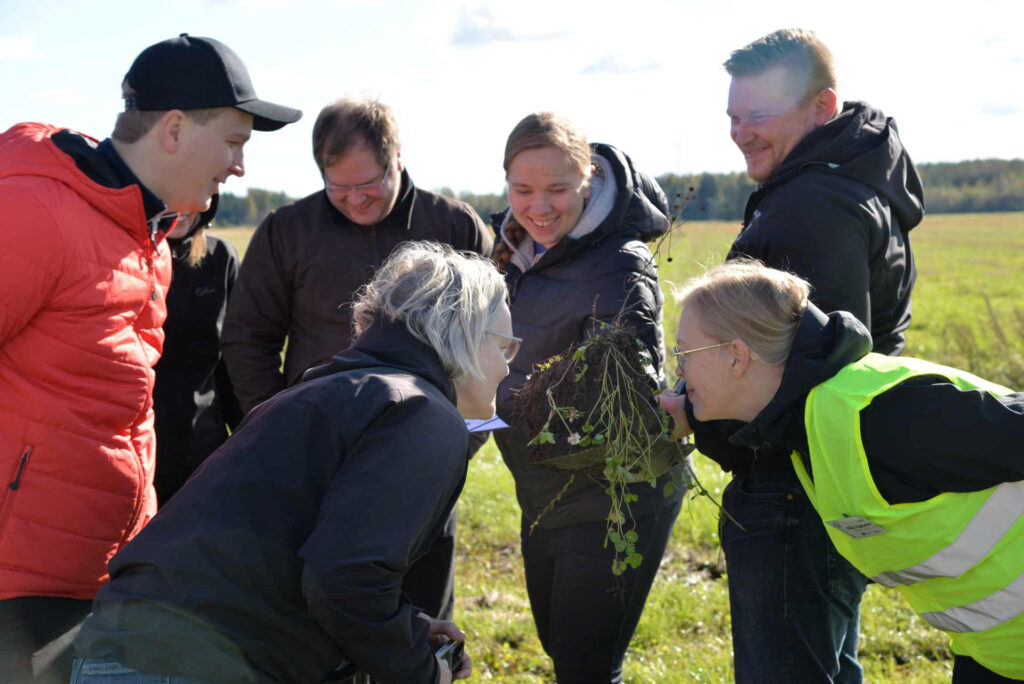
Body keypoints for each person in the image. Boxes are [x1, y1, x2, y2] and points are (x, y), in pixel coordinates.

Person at [0, 34, 299, 683]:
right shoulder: (33, 211)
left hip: (104, 572)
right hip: (20, 585)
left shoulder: (150, 242)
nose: (239, 167)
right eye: (234, 141)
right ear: (172, 130)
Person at [73, 242, 509, 684]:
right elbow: (345, 579)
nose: (508, 369)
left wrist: (407, 631)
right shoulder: (422, 412)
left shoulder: (331, 391)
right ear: (465, 334)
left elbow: (286, 560)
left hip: (127, 650)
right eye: (504, 347)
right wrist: (421, 671)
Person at [686, 28, 926, 682]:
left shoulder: (810, 208)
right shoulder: (852, 181)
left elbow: (802, 375)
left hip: (793, 490)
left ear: (822, 107)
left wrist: (695, 412)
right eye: (733, 117)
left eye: (758, 116)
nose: (740, 133)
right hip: (834, 483)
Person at [658, 260, 1024, 684]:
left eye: (684, 353)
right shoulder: (805, 428)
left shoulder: (880, 416)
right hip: (996, 653)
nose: (680, 371)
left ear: (737, 356)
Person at [221, 98, 493, 623]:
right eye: (337, 187)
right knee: (320, 612)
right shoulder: (286, 231)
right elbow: (247, 340)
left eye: (367, 184)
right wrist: (281, 428)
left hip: (424, 456)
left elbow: (492, 343)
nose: (354, 200)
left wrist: (461, 441)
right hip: (316, 459)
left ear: (397, 159)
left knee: (419, 617)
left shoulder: (454, 227)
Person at [490, 111, 683, 683]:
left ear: (589, 178)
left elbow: (623, 399)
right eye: (522, 190)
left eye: (557, 189)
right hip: (545, 488)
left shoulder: (620, 263)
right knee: (562, 649)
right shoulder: (513, 252)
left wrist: (504, 402)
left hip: (612, 496)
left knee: (586, 667)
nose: (539, 207)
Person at [152, 198, 243, 504]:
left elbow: (235, 362)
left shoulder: (221, 259)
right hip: (135, 449)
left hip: (202, 452)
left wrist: (250, 437)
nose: (183, 204)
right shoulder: (123, 258)